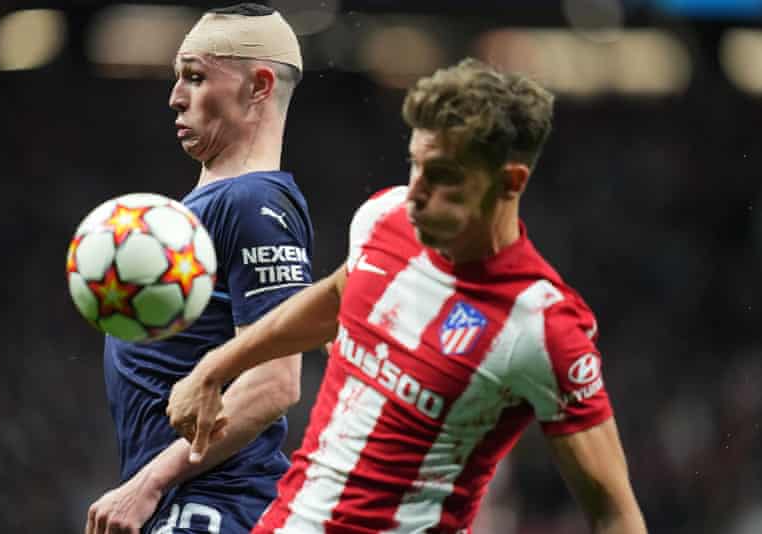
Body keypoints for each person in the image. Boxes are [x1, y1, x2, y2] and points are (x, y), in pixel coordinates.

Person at [167, 58, 648, 533]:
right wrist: (216, 367)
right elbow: (337, 299)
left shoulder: (543, 326)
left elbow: (613, 512)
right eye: (416, 163)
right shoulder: (384, 219)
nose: (416, 190)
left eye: (442, 175)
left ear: (510, 182)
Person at [86, 4, 313, 534]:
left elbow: (274, 383)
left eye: (195, 76)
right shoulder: (208, 207)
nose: (175, 97)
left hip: (215, 506)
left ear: (258, 86)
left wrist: (149, 483)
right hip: (186, 503)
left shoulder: (255, 202)